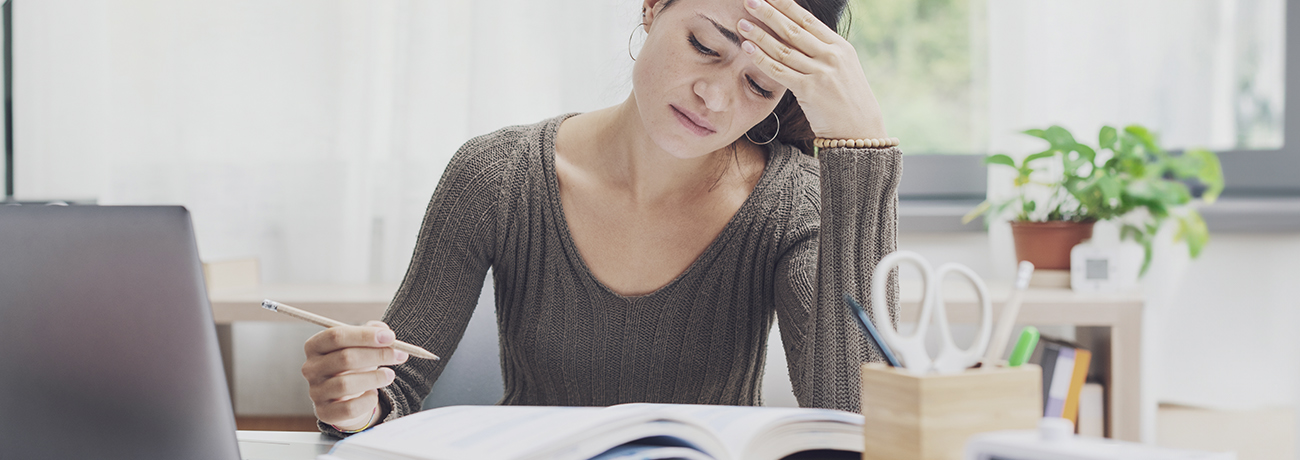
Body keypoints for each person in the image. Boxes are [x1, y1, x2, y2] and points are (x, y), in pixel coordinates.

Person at [301, 0, 900, 436]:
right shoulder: (496, 176)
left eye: (760, 85)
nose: (715, 99)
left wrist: (861, 144)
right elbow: (395, 389)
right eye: (704, 46)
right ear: (652, 8)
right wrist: (354, 404)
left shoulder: (791, 204)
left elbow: (854, 420)